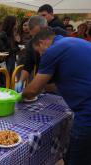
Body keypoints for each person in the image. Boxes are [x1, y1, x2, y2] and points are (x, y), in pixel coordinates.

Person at [22, 27, 91, 165]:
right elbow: (62, 82)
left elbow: (32, 91)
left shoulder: (52, 51)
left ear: (42, 43)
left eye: (39, 52)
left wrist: (20, 94)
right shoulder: (74, 41)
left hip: (87, 114)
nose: (41, 56)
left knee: (75, 158)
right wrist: (42, 87)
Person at [16, 15, 67, 92]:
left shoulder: (59, 34)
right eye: (34, 36)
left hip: (61, 84)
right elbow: (28, 65)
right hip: (43, 85)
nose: (37, 39)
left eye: (38, 34)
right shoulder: (31, 43)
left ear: (45, 27)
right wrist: (21, 81)